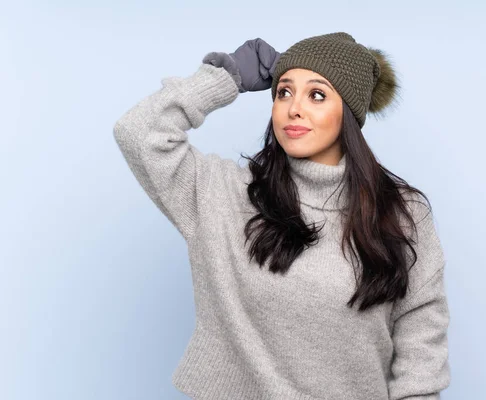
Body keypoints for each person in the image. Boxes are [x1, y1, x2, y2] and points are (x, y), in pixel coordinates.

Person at [113, 32, 450, 400]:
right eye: (283, 92)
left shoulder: (401, 214)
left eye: (317, 95)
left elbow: (420, 341)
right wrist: (224, 77)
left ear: (349, 113)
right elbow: (138, 132)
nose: (294, 108)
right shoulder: (223, 195)